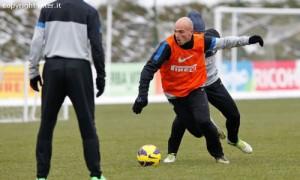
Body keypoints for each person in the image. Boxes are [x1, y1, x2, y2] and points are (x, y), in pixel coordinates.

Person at [132, 16, 263, 164]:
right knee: (197, 131)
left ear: (191, 32)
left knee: (205, 121)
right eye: (176, 31)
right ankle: (175, 150)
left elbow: (226, 42)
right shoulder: (167, 46)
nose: (178, 35)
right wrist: (142, 95)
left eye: (181, 32)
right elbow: (149, 68)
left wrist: (249, 39)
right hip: (175, 95)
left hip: (196, 88)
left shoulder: (202, 41)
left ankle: (219, 155)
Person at [29, 0, 106, 179]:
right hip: (79, 69)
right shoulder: (89, 12)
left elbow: (36, 42)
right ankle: (95, 175)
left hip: (53, 67)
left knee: (46, 124)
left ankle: (41, 176)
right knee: (87, 124)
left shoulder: (47, 10)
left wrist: (33, 71)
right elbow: (96, 45)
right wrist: (101, 75)